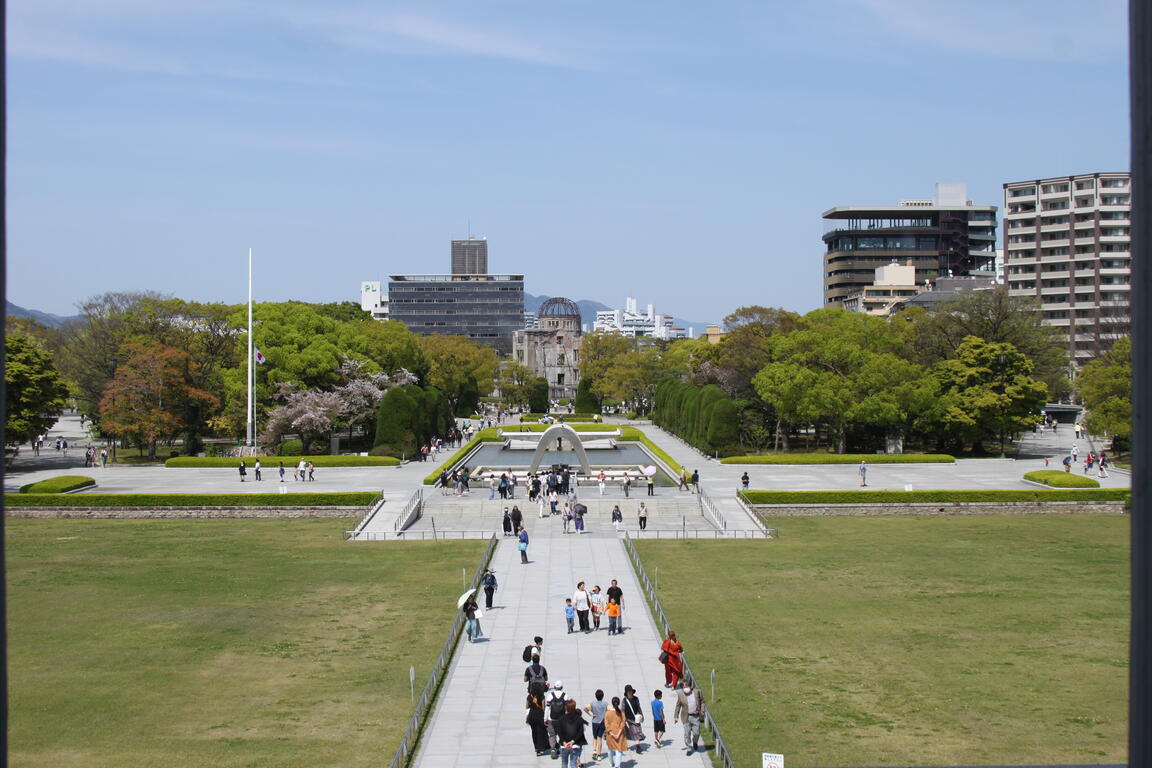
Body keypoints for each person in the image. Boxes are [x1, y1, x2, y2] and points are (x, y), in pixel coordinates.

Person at [555, 699, 589, 768]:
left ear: (566, 708)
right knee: (573, 764)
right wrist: (572, 741)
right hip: (575, 745)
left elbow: (559, 731)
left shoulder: (561, 719)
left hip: (564, 745)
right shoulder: (579, 719)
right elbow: (580, 732)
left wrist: (564, 742)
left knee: (564, 764)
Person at [674, 683, 704, 754]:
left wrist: (702, 710)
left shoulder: (697, 692)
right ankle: (688, 746)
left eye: (686, 686)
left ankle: (695, 742)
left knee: (696, 733)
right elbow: (678, 706)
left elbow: (702, 702)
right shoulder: (681, 695)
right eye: (684, 687)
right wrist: (676, 716)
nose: (685, 688)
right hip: (686, 717)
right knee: (687, 733)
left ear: (691, 687)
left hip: (695, 716)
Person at [545, 682, 568, 758]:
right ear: (562, 687)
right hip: (562, 719)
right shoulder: (565, 695)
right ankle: (560, 747)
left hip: (552, 719)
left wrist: (545, 718)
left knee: (552, 735)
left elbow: (547, 708)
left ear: (554, 687)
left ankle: (553, 749)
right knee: (562, 735)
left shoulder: (550, 695)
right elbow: (566, 709)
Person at [604, 696, 629, 767]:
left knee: (610, 749)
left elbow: (606, 724)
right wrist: (618, 734)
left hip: (610, 733)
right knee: (619, 750)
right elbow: (623, 723)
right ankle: (617, 765)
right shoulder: (621, 713)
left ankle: (611, 762)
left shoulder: (608, 713)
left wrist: (611, 733)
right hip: (619, 733)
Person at [585, 689, 608, 761]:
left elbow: (585, 709)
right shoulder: (605, 703)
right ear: (602, 696)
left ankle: (594, 751)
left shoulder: (592, 703)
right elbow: (610, 710)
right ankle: (599, 754)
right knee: (600, 738)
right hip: (602, 722)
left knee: (594, 737)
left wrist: (591, 715)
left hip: (594, 722)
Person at [526, 691, 550, 756]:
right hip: (539, 716)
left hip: (531, 716)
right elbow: (543, 708)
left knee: (534, 732)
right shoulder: (542, 697)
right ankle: (541, 749)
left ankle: (536, 747)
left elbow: (526, 706)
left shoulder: (529, 697)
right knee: (540, 732)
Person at [622, 684, 644, 749]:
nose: (630, 692)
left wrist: (642, 715)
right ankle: (625, 745)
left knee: (637, 732)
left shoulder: (636, 699)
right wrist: (623, 719)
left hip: (635, 719)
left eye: (630, 691)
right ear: (626, 693)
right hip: (627, 719)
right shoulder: (624, 700)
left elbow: (639, 708)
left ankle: (638, 746)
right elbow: (622, 710)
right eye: (628, 691)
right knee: (626, 733)